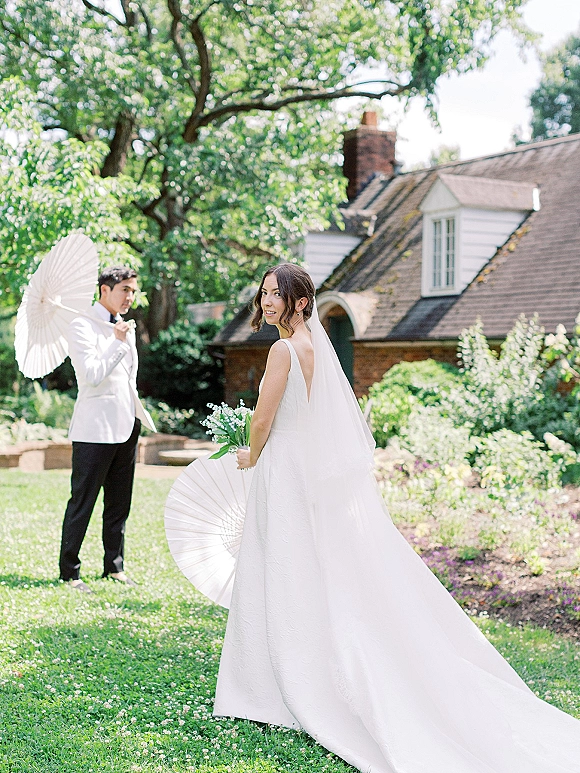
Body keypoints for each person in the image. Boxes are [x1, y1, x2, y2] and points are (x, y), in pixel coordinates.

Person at [213, 263, 580, 772]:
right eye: (265, 292)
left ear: (301, 303)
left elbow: (264, 419)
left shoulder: (282, 350)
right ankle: (287, 672)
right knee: (304, 568)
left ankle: (275, 685)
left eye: (278, 294)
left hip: (283, 470)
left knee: (283, 566)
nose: (267, 300)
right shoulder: (317, 349)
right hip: (304, 470)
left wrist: (250, 454)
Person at [59, 266, 153, 593]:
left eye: (132, 290)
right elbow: (92, 374)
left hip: (127, 424)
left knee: (119, 503)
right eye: (124, 289)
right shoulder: (81, 325)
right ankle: (69, 571)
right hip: (93, 430)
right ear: (104, 290)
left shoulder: (121, 326)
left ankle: (114, 567)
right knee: (82, 502)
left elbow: (128, 379)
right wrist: (117, 342)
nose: (130, 296)